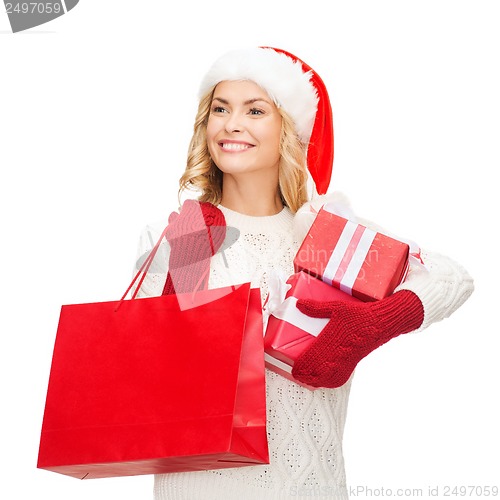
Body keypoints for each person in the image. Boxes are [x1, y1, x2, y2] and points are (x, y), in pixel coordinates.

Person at [134, 47, 474, 500]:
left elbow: (452, 277)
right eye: (220, 109)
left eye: (255, 110)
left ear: (291, 131)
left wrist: (376, 323)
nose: (231, 124)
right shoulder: (183, 233)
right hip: (200, 488)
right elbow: (150, 362)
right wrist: (188, 255)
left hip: (312, 484)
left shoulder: (323, 232)